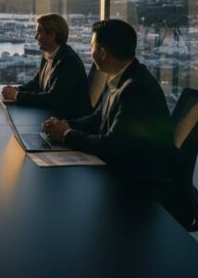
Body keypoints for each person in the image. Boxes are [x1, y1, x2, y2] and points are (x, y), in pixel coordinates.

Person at [42, 19, 174, 175]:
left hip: (138, 181)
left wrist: (66, 134)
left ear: (103, 53)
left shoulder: (136, 88)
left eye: (92, 47)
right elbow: (99, 117)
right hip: (124, 167)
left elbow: (112, 146)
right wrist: (66, 125)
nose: (90, 53)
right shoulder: (121, 76)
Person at [1, 13, 91, 119]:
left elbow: (53, 99)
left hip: (69, 123)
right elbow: (37, 83)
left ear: (52, 35)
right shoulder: (48, 55)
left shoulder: (68, 61)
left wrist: (16, 95)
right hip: (51, 116)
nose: (35, 37)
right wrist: (16, 90)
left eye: (39, 32)